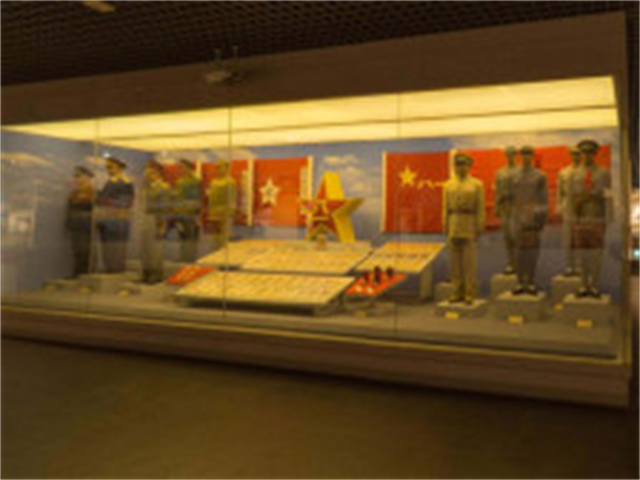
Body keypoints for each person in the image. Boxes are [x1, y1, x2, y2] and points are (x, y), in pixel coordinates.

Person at [569, 139, 611, 297]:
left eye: (590, 153)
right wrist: (572, 217)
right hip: (580, 218)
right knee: (582, 254)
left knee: (595, 254)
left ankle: (594, 285)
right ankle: (583, 285)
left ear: (595, 154)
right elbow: (570, 197)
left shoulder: (603, 173)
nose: (587, 156)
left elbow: (609, 196)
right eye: (584, 152)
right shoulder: (574, 174)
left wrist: (608, 216)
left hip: (597, 217)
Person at [442, 152, 485, 304]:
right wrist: (445, 224)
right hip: (454, 221)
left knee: (469, 262)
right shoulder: (448, 185)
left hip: (469, 222)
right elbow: (445, 207)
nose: (460, 168)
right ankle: (456, 291)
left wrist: (479, 225)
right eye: (458, 165)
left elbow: (480, 207)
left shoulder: (476, 184)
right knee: (455, 262)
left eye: (463, 165)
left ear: (469, 166)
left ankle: (469, 292)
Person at [511, 145, 549, 295]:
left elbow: (543, 199)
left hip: (533, 218)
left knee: (532, 252)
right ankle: (520, 282)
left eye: (528, 155)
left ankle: (531, 281)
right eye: (523, 155)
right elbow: (510, 198)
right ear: (520, 157)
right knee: (518, 252)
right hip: (517, 218)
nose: (526, 157)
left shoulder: (540, 176)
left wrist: (541, 219)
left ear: (532, 157)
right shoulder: (513, 175)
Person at [95, 156, 134, 273]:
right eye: (107, 167)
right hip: (108, 219)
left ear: (120, 168)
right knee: (108, 248)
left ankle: (115, 269)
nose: (108, 170)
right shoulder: (111, 182)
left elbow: (126, 202)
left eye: (111, 167)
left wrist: (101, 199)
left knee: (116, 248)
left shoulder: (124, 183)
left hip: (116, 220)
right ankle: (111, 268)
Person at [141, 160, 171, 283]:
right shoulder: (148, 186)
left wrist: (162, 224)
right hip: (147, 218)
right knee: (147, 248)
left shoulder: (163, 187)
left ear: (157, 173)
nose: (147, 174)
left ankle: (156, 275)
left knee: (155, 250)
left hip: (156, 219)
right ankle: (146, 274)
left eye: (150, 172)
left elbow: (164, 207)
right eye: (147, 172)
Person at [66, 166, 95, 277]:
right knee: (76, 250)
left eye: (79, 176)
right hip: (76, 225)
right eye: (76, 177)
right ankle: (77, 273)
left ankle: (83, 274)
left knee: (84, 251)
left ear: (87, 178)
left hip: (86, 226)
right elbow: (70, 210)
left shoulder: (93, 193)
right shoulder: (74, 193)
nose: (77, 179)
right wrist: (69, 223)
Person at [557, 146, 582, 276]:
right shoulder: (564, 172)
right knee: (567, 238)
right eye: (573, 154)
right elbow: (560, 192)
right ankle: (569, 266)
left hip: (582, 207)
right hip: (567, 206)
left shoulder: (585, 171)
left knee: (579, 238)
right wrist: (559, 207)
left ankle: (579, 266)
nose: (575, 156)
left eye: (577, 154)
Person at [494, 146, 519, 274]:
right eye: (508, 154)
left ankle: (519, 263)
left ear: (516, 155)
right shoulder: (500, 173)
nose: (510, 157)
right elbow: (498, 191)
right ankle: (510, 263)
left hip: (518, 207)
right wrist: (497, 207)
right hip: (505, 206)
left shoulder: (521, 171)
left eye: (512, 154)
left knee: (518, 236)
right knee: (507, 237)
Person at [173, 159, 202, 262]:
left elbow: (196, 198)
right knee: (183, 236)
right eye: (179, 168)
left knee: (190, 237)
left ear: (189, 168)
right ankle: (184, 256)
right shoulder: (179, 181)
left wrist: (196, 214)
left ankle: (190, 258)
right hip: (181, 213)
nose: (181, 170)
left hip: (190, 213)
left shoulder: (195, 181)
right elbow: (177, 198)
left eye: (182, 167)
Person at [207, 160, 237, 252]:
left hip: (224, 214)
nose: (218, 170)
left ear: (227, 169)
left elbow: (232, 199)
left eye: (221, 167)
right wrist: (210, 212)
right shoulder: (213, 182)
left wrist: (229, 213)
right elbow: (211, 200)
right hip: (214, 213)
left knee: (223, 239)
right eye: (217, 168)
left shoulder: (230, 182)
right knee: (214, 239)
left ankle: (222, 255)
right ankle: (215, 254)